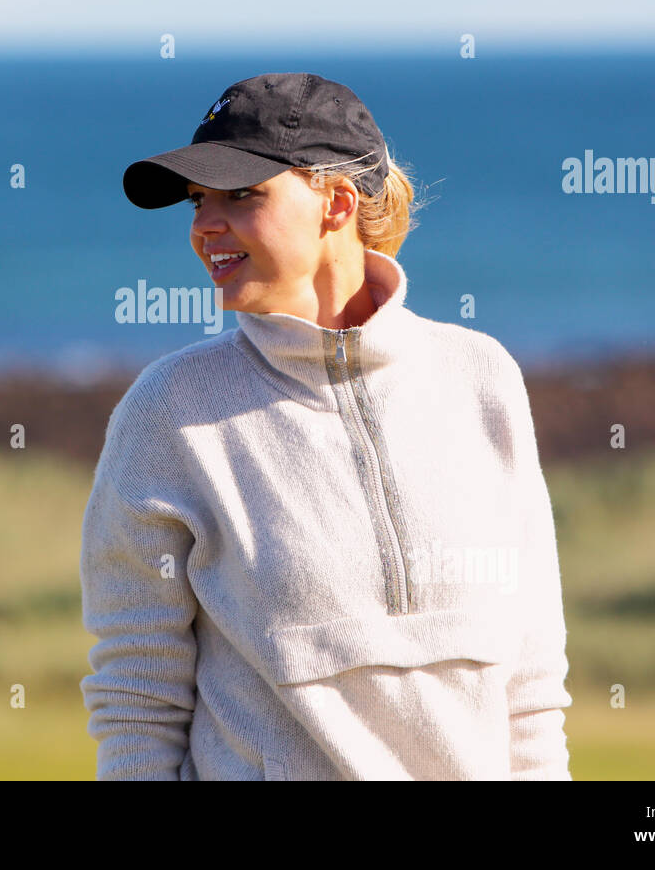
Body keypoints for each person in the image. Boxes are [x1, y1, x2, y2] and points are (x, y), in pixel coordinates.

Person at [80, 73, 572, 780]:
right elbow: (137, 706)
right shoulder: (168, 413)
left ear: (337, 202)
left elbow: (530, 690)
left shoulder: (481, 379)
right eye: (197, 202)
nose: (203, 227)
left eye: (241, 195)